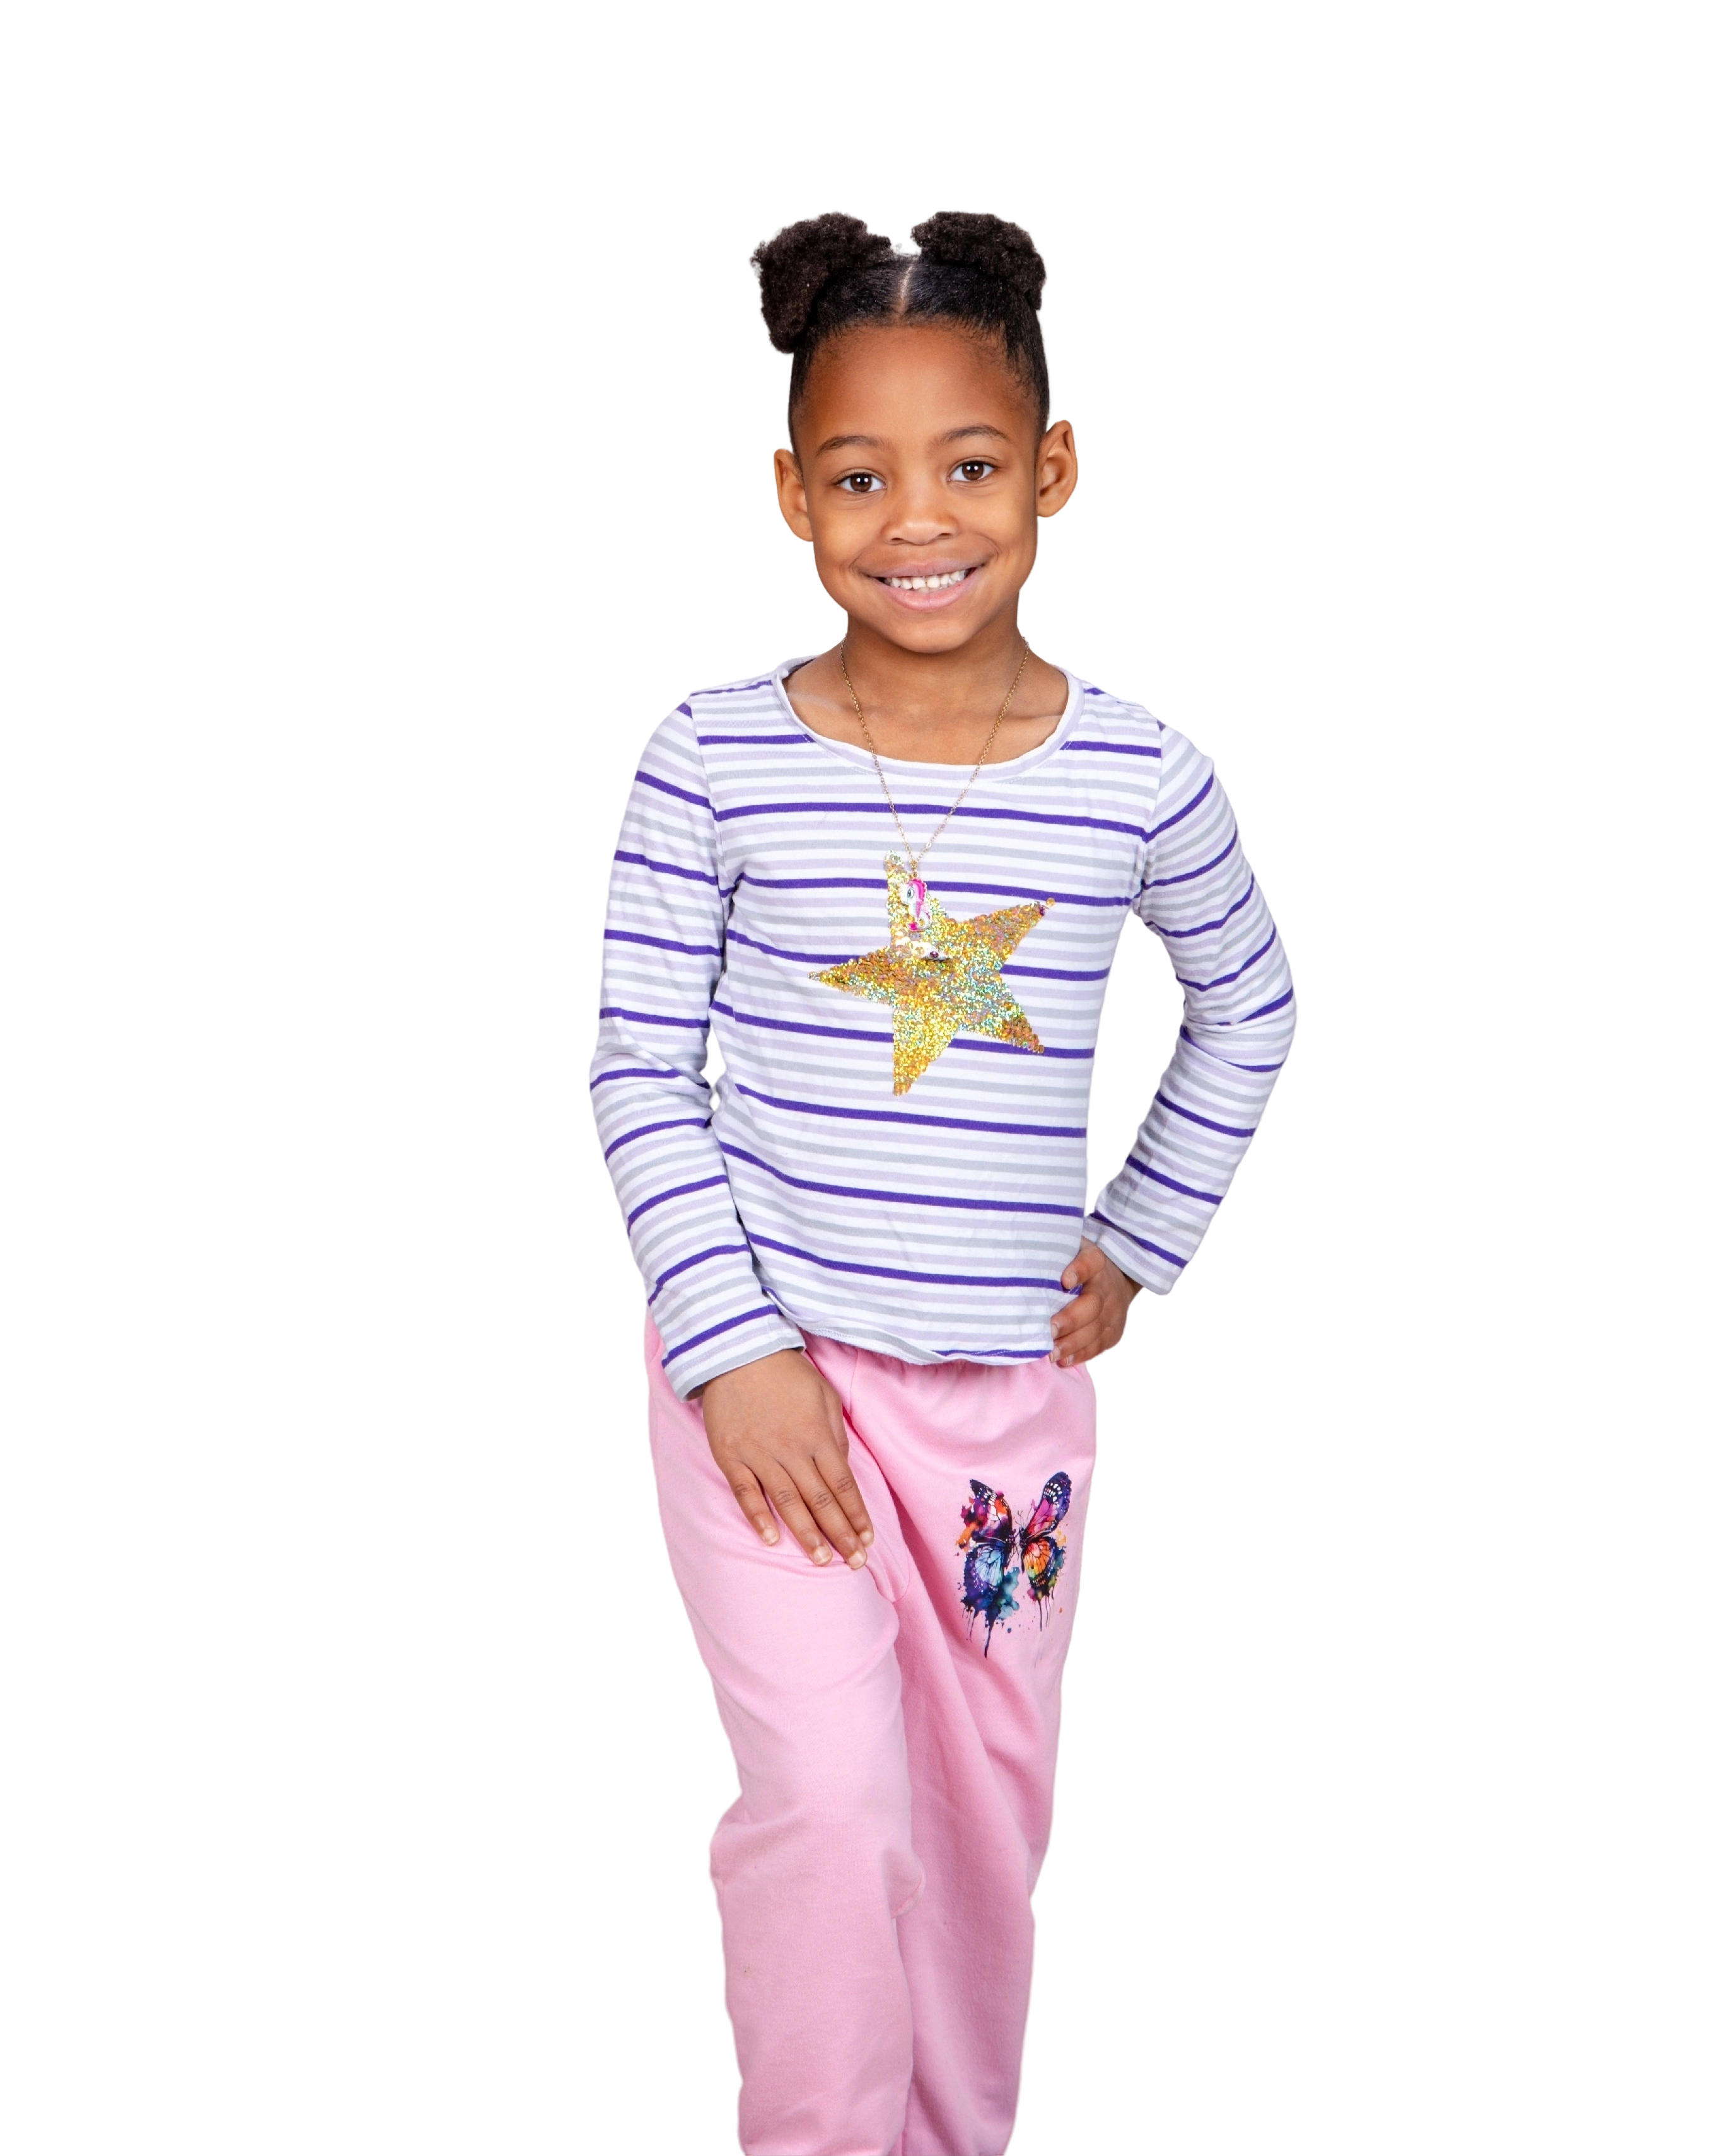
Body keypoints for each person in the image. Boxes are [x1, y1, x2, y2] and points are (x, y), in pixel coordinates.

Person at [588, 205, 1299, 2156]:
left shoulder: (1141, 777)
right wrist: (735, 1349)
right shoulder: (711, 759)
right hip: (772, 1391)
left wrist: (1137, 1238)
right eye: (860, 475)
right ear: (789, 494)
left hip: (1006, 1416)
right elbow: (640, 1066)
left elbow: (1251, 1001)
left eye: (970, 464)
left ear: (1052, 467)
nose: (919, 517)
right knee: (833, 1804)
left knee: (985, 1821)